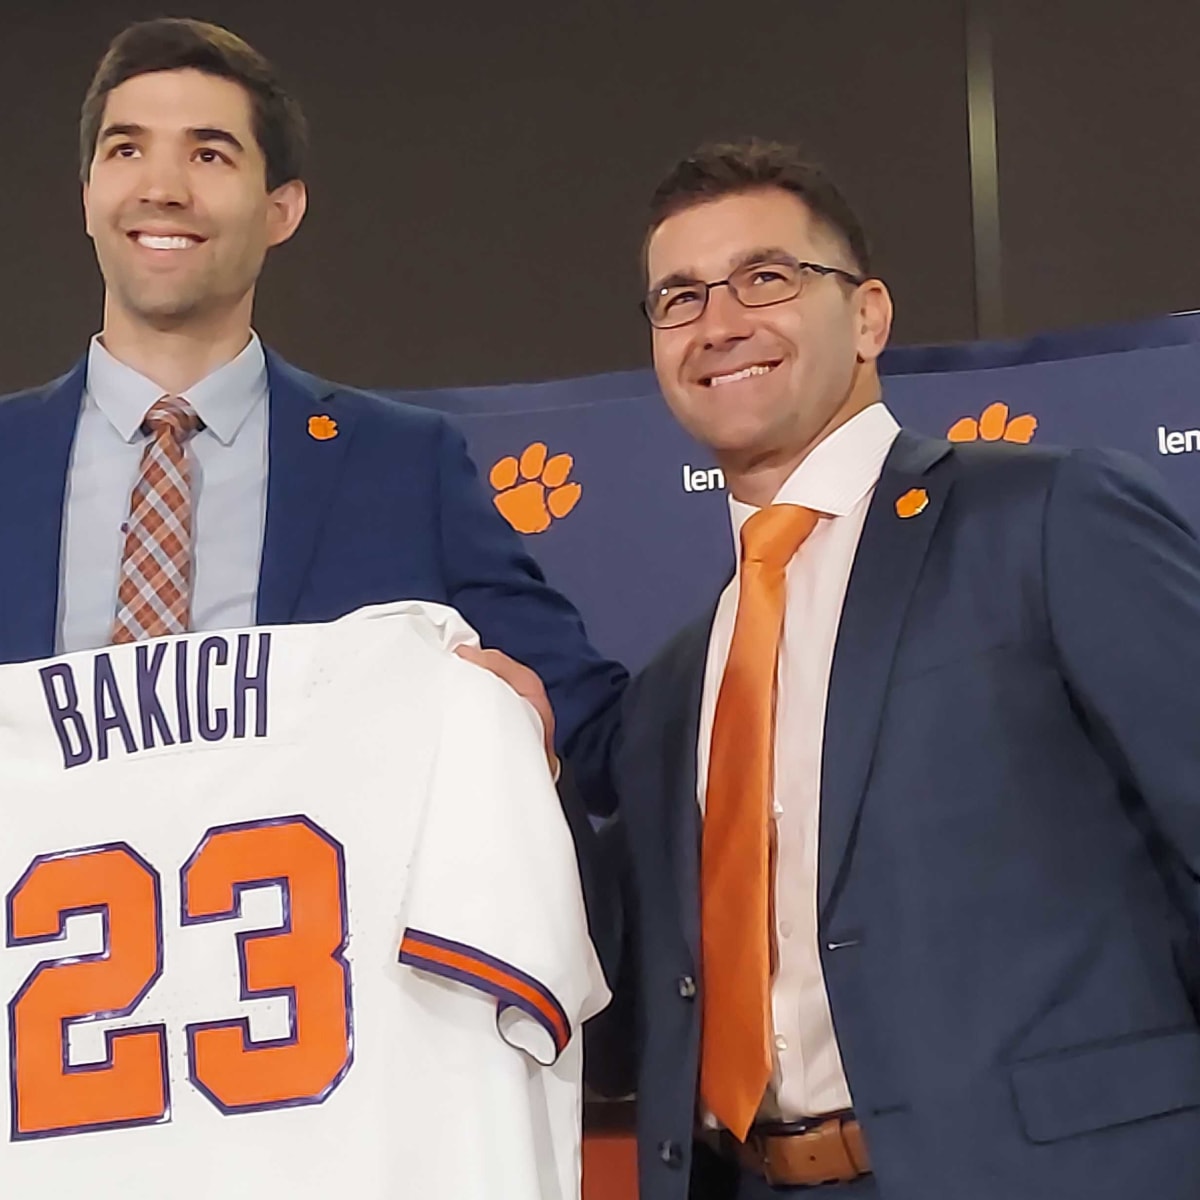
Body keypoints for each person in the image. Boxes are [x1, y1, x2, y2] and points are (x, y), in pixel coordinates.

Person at [592, 139, 1200, 1199]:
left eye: (766, 278)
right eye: (678, 299)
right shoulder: (675, 687)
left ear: (868, 315)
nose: (720, 322)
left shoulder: (1050, 518)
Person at [0, 17, 623, 793]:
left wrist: (520, 725)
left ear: (281, 210)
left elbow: (598, 734)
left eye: (208, 153)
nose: (161, 188)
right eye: (126, 150)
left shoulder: (404, 467)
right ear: (88, 195)